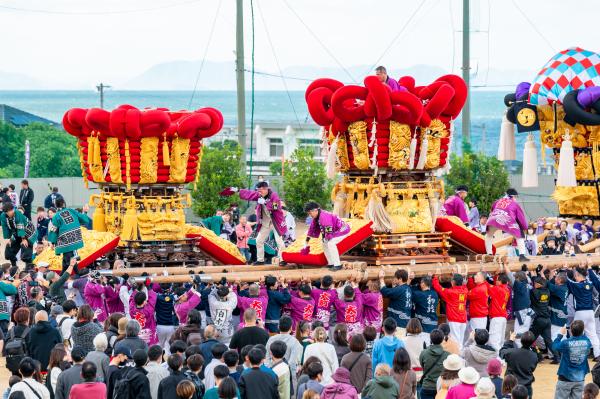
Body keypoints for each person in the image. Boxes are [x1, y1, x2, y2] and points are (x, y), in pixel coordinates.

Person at [226, 182, 287, 265]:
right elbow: (249, 194)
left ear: (266, 189)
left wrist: (265, 202)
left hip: (275, 222)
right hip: (265, 223)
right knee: (259, 240)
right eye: (258, 191)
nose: (259, 192)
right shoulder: (259, 195)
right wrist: (238, 190)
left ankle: (283, 260)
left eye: (260, 190)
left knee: (279, 241)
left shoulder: (274, 195)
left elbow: (275, 207)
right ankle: (260, 260)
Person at [302, 202, 350, 271]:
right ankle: (331, 263)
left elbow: (329, 232)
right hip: (335, 230)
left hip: (343, 229)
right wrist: (306, 242)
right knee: (324, 243)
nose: (309, 215)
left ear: (315, 210)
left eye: (310, 213)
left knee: (331, 243)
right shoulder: (317, 216)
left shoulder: (324, 216)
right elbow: (311, 229)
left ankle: (337, 265)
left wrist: (326, 238)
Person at [485, 189, 530, 262]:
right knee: (519, 236)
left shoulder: (497, 201)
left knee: (488, 236)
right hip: (507, 220)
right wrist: (524, 228)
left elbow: (492, 209)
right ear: (514, 196)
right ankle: (522, 256)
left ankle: (489, 254)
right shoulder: (515, 204)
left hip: (492, 219)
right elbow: (521, 218)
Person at [47, 199, 90, 272]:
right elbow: (84, 219)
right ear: (64, 204)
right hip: (76, 238)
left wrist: (52, 242)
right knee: (67, 260)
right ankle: (69, 275)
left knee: (68, 261)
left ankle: (77, 275)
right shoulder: (71, 210)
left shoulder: (56, 216)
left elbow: (54, 230)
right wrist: (85, 211)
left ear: (55, 206)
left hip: (65, 242)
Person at [552, 321, 592, 399]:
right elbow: (585, 338)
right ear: (582, 330)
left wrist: (560, 335)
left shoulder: (566, 343)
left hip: (565, 378)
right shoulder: (587, 342)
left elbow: (554, 347)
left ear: (570, 330)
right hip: (580, 379)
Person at [567, 266, 600, 360]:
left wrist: (566, 269)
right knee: (592, 334)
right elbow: (594, 279)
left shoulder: (576, 285)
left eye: (575, 276)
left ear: (577, 275)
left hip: (580, 313)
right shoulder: (589, 283)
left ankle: (576, 355)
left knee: (575, 333)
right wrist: (589, 268)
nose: (575, 278)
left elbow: (568, 281)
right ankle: (598, 354)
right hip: (590, 312)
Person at [432, 270, 468, 349]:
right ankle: (460, 359)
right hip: (463, 319)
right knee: (460, 341)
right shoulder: (465, 290)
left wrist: (435, 277)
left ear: (453, 282)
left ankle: (456, 358)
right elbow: (464, 285)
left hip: (454, 320)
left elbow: (438, 288)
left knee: (455, 341)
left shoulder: (450, 292)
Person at [500, 331, 539, 398]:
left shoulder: (512, 352)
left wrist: (510, 340)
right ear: (532, 343)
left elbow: (502, 352)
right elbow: (532, 369)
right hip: (526, 386)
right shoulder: (534, 356)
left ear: (521, 341)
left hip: (511, 385)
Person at [266, 316, 302, 386]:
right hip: (288, 375)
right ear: (291, 328)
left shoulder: (271, 339)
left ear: (278, 327)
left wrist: (269, 369)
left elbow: (266, 357)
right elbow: (292, 361)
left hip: (272, 373)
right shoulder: (295, 342)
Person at [1, 202, 37, 266]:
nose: (11, 212)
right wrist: (8, 239)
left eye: (12, 210)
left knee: (26, 250)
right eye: (9, 211)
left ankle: (29, 268)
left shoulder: (18, 214)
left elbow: (20, 227)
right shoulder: (3, 216)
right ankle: (14, 266)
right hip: (16, 233)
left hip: (28, 232)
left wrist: (24, 239)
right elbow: (5, 228)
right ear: (6, 212)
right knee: (9, 250)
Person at [419, 329, 450, 399]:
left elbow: (422, 366)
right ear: (442, 340)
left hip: (427, 386)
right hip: (441, 387)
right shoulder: (447, 355)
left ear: (431, 339)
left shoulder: (424, 353)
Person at [379, 269, 412, 334]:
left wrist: (381, 279)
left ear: (400, 279)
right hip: (404, 322)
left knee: (395, 343)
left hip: (398, 324)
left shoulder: (400, 289)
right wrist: (394, 286)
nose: (394, 279)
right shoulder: (407, 288)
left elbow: (385, 292)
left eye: (395, 278)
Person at [488, 273, 511, 351]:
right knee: (500, 341)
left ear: (500, 281)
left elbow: (486, 285)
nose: (495, 281)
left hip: (497, 318)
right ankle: (501, 359)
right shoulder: (506, 289)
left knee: (494, 340)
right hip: (502, 317)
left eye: (497, 280)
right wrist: (496, 275)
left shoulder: (498, 289)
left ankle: (497, 360)